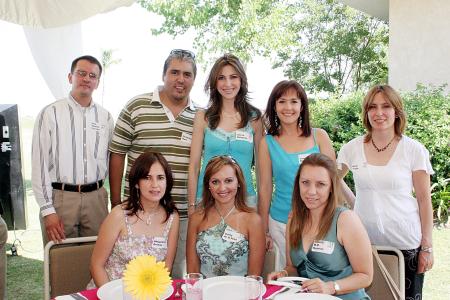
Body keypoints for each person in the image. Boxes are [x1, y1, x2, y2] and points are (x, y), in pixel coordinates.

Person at [337, 84, 434, 299]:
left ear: (397, 111)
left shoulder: (413, 150)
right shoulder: (351, 148)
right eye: (372, 107)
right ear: (366, 112)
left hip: (406, 242)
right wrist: (355, 205)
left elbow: (424, 201)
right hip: (364, 243)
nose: (379, 113)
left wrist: (427, 247)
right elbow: (332, 180)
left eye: (386, 106)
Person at [108, 49, 196, 278]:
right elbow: (117, 153)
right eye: (174, 72)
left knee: (170, 275)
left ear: (194, 79)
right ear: (163, 74)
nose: (180, 79)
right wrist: (117, 202)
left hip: (178, 216)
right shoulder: (136, 106)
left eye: (187, 74)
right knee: (125, 273)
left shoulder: (200, 117)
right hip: (135, 213)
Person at [32, 55, 114, 245]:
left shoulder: (105, 117)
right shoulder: (50, 113)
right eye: (81, 73)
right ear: (70, 77)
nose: (86, 79)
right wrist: (48, 210)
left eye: (92, 76)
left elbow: (110, 158)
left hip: (96, 199)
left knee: (97, 257)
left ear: (97, 82)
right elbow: (39, 164)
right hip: (61, 199)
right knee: (60, 259)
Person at [268, 153, 373, 299]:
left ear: (331, 187)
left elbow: (365, 276)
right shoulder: (294, 219)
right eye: (305, 182)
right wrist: (284, 274)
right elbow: (293, 267)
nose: (311, 191)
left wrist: (331, 287)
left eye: (320, 184)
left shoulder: (346, 220)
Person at [258, 80, 336, 268]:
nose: (288, 107)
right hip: (281, 223)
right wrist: (263, 229)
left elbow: (334, 182)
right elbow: (265, 187)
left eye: (294, 101)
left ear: (302, 106)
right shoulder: (267, 143)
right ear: (274, 107)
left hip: (319, 223)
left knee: (318, 279)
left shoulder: (320, 137)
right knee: (287, 279)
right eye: (282, 101)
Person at [90, 152, 179, 287]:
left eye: (160, 178)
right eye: (147, 178)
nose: (155, 185)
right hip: (110, 292)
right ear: (137, 183)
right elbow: (96, 266)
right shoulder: (119, 215)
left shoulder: (172, 217)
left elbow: (166, 267)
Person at [188, 54, 262, 212]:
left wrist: (262, 207)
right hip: (206, 199)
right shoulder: (203, 117)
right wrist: (191, 205)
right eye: (221, 78)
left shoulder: (254, 119)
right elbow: (194, 166)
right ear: (214, 82)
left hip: (245, 201)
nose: (228, 83)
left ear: (241, 80)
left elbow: (262, 169)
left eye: (233, 77)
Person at [186, 156, 265, 278]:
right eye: (215, 182)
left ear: (238, 182)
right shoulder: (196, 218)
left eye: (228, 181)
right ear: (208, 185)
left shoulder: (253, 220)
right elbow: (192, 273)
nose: (222, 188)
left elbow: (254, 277)